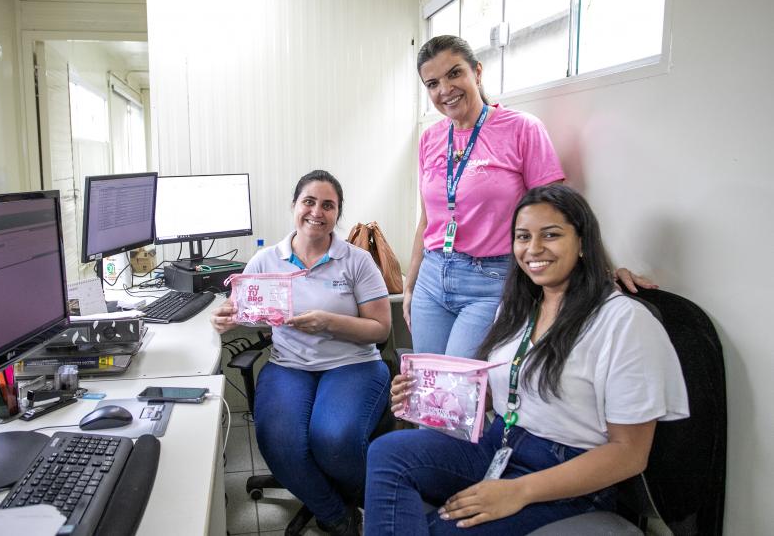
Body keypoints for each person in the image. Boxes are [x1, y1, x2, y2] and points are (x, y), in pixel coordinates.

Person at [364, 184, 689, 535]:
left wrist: (519, 491)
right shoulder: (519, 308)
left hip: (567, 472)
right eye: (522, 237)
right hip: (499, 443)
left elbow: (629, 454)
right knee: (387, 453)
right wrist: (423, 396)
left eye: (550, 235)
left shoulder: (624, 322)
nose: (533, 249)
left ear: (582, 242)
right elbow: (502, 394)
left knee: (440, 529)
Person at [404, 34, 654, 358]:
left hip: (491, 279)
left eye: (454, 73)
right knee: (429, 389)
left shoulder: (521, 128)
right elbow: (428, 219)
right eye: (432, 83)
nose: (445, 90)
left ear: (476, 72)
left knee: (462, 390)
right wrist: (410, 285)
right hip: (432, 276)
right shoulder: (430, 139)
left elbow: (561, 210)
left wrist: (601, 268)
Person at [211, 170, 392, 536]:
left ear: (337, 214)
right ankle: (338, 515)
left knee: (334, 439)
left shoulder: (357, 261)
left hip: (352, 364)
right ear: (294, 206)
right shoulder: (265, 261)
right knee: (279, 441)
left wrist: (329, 322)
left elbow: (381, 330)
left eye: (328, 205)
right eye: (308, 202)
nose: (317, 212)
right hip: (289, 365)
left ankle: (374, 497)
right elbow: (243, 311)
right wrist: (226, 318)